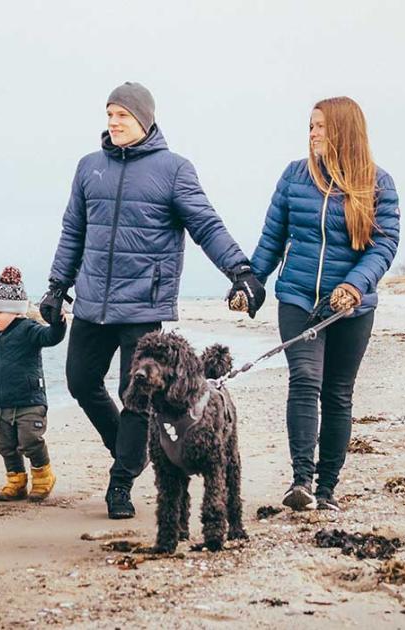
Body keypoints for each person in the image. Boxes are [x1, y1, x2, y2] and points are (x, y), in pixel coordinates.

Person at [40, 81, 264, 519]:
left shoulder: (174, 169)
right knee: (80, 381)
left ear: (143, 118)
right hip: (91, 301)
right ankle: (134, 451)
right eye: (108, 115)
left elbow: (205, 225)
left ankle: (120, 482)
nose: (113, 122)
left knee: (137, 397)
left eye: (121, 115)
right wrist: (55, 286)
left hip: (143, 304)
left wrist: (240, 271)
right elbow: (73, 232)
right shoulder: (89, 168)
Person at [250, 96, 400, 512]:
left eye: (319, 126)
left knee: (337, 393)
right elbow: (271, 239)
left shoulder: (378, 184)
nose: (312, 132)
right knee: (303, 379)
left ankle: (327, 489)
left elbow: (383, 244)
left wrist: (354, 286)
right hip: (298, 297)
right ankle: (301, 480)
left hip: (350, 307)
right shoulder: (295, 177)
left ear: (342, 131)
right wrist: (250, 282)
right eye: (310, 125)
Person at [0, 266, 66, 502]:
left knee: (30, 440)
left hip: (30, 402)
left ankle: (43, 477)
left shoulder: (28, 330)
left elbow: (50, 338)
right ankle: (16, 482)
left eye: (0, 312)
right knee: (6, 445)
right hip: (1, 404)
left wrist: (59, 324)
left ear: (17, 312)